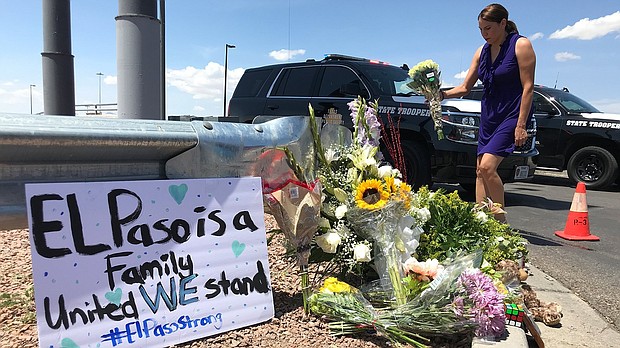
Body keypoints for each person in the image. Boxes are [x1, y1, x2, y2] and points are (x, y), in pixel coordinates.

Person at [441, 3, 536, 223]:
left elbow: (528, 87)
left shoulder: (521, 45)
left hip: (512, 114)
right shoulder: (481, 51)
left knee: (487, 167)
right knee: (479, 172)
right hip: (489, 115)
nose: (485, 34)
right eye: (481, 30)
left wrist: (521, 125)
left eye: (489, 28)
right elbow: (465, 87)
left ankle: (500, 224)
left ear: (503, 23)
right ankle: (481, 222)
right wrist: (441, 95)